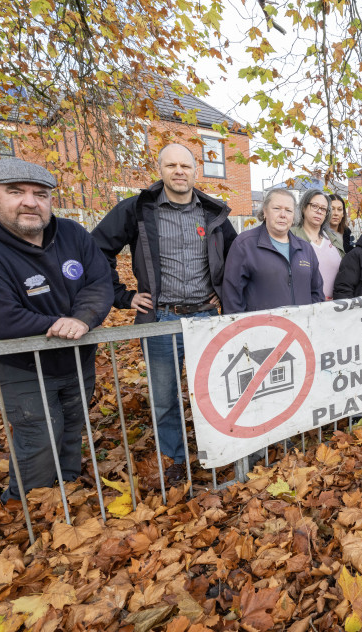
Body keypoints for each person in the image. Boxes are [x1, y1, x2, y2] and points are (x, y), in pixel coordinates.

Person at [0, 158, 113, 502]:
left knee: (70, 429)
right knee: (38, 437)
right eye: (16, 192)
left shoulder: (72, 234)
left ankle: (63, 494)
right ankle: (28, 508)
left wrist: (82, 319)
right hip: (21, 366)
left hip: (77, 358)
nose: (31, 201)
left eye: (41, 194)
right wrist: (57, 325)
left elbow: (99, 282)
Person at [91, 143, 236, 480]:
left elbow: (237, 258)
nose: (179, 171)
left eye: (185, 165)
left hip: (206, 319)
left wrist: (224, 293)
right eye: (171, 165)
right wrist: (122, 297)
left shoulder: (213, 213)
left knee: (213, 392)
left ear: (195, 170)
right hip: (161, 319)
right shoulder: (137, 210)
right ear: (160, 169)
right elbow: (97, 249)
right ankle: (175, 460)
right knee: (164, 397)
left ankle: (216, 451)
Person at [222, 188, 325, 313]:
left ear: (294, 216)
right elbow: (232, 296)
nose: (283, 214)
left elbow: (317, 292)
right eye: (276, 208)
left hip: (301, 327)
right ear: (264, 211)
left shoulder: (305, 248)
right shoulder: (245, 245)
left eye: (288, 210)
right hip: (261, 328)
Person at [291, 189, 344, 299]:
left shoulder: (334, 239)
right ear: (303, 207)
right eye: (314, 206)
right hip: (305, 307)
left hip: (336, 309)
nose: (319, 211)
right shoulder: (291, 236)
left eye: (323, 209)